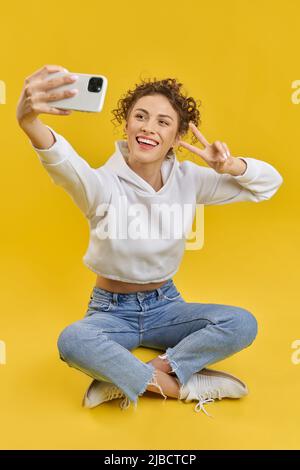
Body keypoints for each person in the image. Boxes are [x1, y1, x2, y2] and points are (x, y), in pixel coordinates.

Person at [16, 64, 283, 416]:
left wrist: (230, 166)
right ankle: (179, 386)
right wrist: (30, 123)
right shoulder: (102, 185)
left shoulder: (190, 178)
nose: (148, 127)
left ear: (177, 137)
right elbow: (63, 164)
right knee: (74, 341)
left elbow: (268, 184)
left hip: (166, 306)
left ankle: (122, 377)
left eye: (162, 122)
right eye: (140, 116)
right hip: (110, 312)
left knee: (242, 323)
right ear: (126, 125)